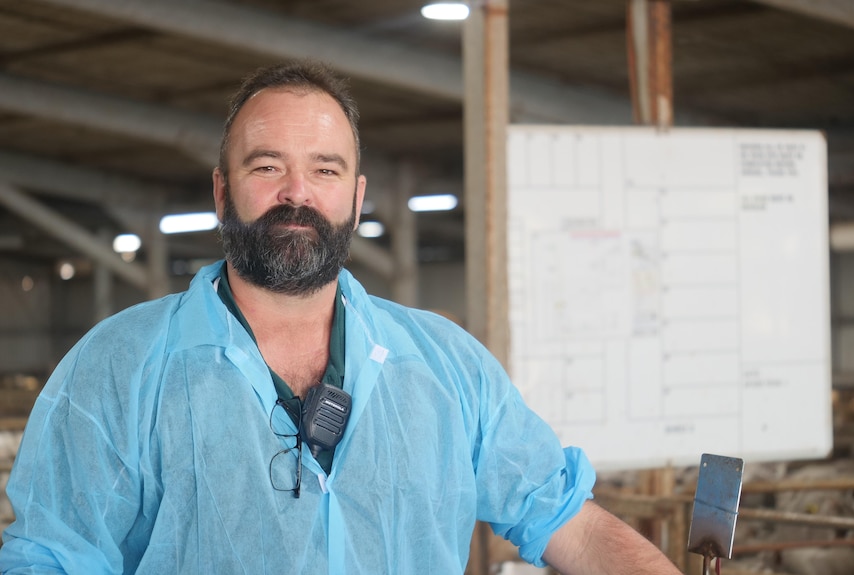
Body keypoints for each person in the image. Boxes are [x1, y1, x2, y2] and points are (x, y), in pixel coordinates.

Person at [0, 60, 683, 574]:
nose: (296, 193)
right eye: (267, 166)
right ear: (221, 191)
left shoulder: (448, 367)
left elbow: (567, 519)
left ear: (356, 200)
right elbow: (51, 557)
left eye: (325, 170)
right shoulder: (115, 370)